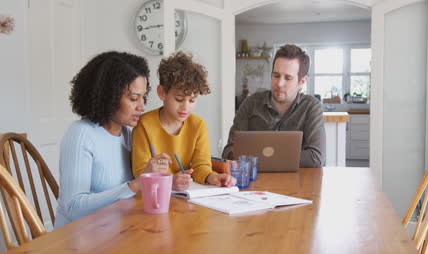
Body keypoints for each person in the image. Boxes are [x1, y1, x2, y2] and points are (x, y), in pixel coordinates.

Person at [54, 51, 170, 229]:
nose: (142, 106)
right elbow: (73, 208)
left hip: (115, 231)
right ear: (108, 96)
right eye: (133, 98)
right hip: (79, 242)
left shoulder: (126, 134)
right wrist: (135, 184)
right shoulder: (81, 134)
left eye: (143, 97)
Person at [132, 52, 236, 190]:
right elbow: (139, 173)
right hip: (153, 196)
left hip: (186, 199)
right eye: (179, 99)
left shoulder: (198, 125)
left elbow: (201, 166)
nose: (186, 107)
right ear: (162, 92)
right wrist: (170, 182)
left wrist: (213, 177)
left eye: (192, 100)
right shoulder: (144, 125)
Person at [222, 44, 326, 167]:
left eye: (288, 78)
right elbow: (228, 152)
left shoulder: (311, 106)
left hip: (297, 183)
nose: (279, 83)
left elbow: (316, 158)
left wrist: (258, 156)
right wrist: (284, 157)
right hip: (256, 182)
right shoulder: (251, 103)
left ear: (302, 81)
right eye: (276, 75)